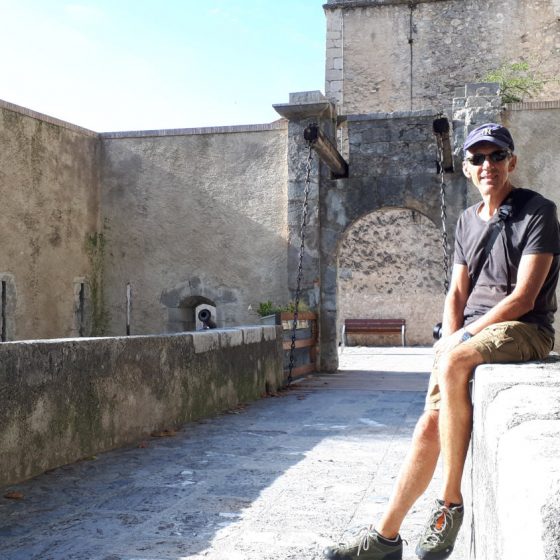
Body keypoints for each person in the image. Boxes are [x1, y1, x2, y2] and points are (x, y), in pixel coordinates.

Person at [323, 123, 560, 560]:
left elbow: (524, 296)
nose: (486, 165)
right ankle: (386, 536)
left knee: (454, 361)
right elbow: (455, 291)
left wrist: (462, 339)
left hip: (526, 330)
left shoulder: (537, 211)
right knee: (429, 424)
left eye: (495, 156)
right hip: (469, 335)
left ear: (512, 162)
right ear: (467, 168)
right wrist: (449, 336)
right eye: (477, 158)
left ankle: (450, 506)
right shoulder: (468, 221)